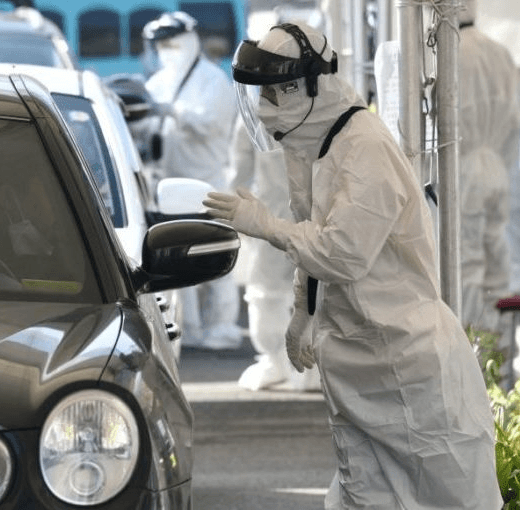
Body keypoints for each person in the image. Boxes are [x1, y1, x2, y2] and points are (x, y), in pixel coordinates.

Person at [203, 21, 502, 509]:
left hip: (407, 365)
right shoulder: (313, 146)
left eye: (274, 95)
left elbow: (342, 252)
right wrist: (303, 311)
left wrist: (264, 225)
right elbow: (313, 232)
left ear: (305, 86)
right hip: (358, 363)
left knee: (445, 498)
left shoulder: (362, 147)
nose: (264, 110)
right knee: (362, 498)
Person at [142, 11, 241, 350]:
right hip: (170, 186)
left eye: (173, 43)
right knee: (180, 257)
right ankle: (191, 328)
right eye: (162, 45)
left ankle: (224, 326)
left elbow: (211, 124)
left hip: (207, 182)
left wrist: (173, 113)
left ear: (189, 40)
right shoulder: (159, 81)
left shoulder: (212, 80)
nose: (168, 50)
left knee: (214, 251)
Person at [230, 115, 319, 391]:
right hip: (317, 217)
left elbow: (239, 174)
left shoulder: (255, 115)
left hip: (273, 217)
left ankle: (280, 364)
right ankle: (306, 367)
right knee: (319, 289)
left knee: (266, 292)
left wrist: (237, 215)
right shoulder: (325, 105)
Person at [457, 0, 520, 337]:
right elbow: (514, 121)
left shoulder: (447, 54)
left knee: (465, 264)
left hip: (463, 170)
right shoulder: (499, 53)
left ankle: (470, 351)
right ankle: (501, 348)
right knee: (495, 256)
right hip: (495, 166)